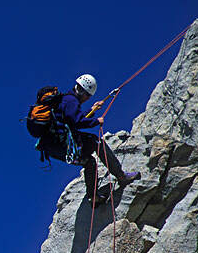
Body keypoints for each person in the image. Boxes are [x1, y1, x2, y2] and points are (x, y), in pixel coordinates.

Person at [39, 74, 141, 207]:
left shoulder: (65, 100)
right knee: (95, 142)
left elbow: (73, 118)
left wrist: (92, 110)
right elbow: (77, 121)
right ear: (84, 93)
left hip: (54, 147)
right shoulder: (71, 101)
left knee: (89, 161)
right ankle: (121, 176)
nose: (86, 99)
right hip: (62, 145)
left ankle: (93, 198)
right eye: (88, 96)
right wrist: (96, 121)